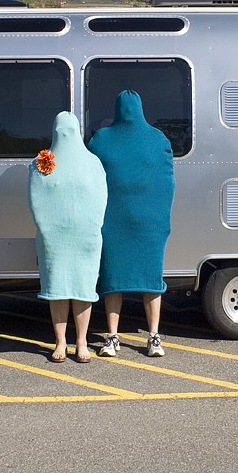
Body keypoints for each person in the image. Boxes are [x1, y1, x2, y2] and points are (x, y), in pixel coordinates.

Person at [88, 90, 175, 357]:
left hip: (111, 222)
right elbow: (167, 182)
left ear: (117, 108)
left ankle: (112, 337)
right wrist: (162, 218)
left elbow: (90, 176)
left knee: (112, 280)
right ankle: (154, 338)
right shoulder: (158, 138)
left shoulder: (101, 138)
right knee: (151, 279)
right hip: (150, 224)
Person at [28, 111, 107, 363]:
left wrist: (95, 226)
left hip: (86, 237)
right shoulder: (39, 162)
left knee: (84, 289)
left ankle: (82, 341)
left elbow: (101, 197)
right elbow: (35, 199)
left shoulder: (93, 162)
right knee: (57, 289)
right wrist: (45, 228)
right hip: (53, 238)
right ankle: (60, 341)